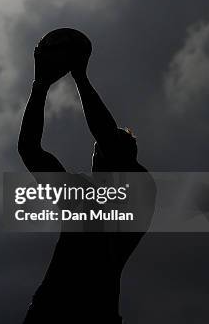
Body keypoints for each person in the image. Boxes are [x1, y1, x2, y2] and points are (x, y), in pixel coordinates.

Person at [18, 29, 156, 323]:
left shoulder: (139, 193)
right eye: (97, 152)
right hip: (51, 311)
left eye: (105, 150)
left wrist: (79, 76)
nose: (98, 155)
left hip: (89, 314)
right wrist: (39, 86)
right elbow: (29, 149)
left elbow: (106, 136)